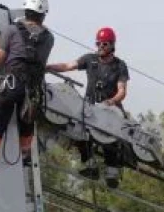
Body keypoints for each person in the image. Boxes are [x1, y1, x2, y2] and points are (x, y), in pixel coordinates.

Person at [0, 0, 55, 197]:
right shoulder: (49, 38)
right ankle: (24, 162)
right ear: (43, 15)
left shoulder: (11, 30)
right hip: (32, 93)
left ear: (25, 10)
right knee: (26, 130)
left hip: (11, 86)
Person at [46, 26, 130, 187]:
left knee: (109, 136)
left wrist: (111, 102)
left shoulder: (119, 66)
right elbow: (68, 66)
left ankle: (112, 173)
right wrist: (48, 67)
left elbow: (122, 91)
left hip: (109, 111)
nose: (100, 47)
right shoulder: (90, 60)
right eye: (98, 43)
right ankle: (90, 165)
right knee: (79, 132)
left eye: (104, 44)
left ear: (112, 45)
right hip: (91, 109)